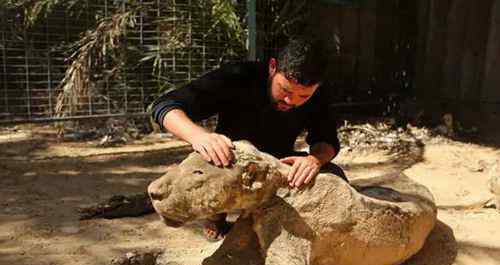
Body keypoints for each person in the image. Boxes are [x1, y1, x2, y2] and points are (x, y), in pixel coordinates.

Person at [149, 38, 346, 241]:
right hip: (228, 162)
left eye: (303, 97)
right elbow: (164, 105)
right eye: (285, 90)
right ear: (272, 67)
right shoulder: (238, 76)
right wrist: (199, 136)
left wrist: (314, 160)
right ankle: (215, 217)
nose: (291, 101)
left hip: (276, 165)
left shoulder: (318, 94)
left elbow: (327, 139)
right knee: (205, 167)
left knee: (333, 173)